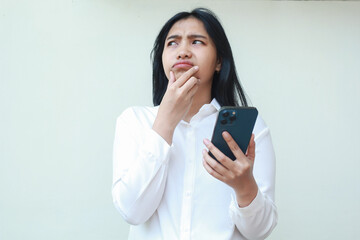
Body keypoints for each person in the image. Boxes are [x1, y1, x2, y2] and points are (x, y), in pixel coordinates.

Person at [112, 8, 277, 240]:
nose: (183, 52)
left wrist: (244, 186)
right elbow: (132, 211)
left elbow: (260, 231)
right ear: (162, 59)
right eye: (172, 43)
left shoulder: (251, 128)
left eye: (197, 42)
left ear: (219, 61)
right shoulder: (134, 122)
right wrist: (165, 125)